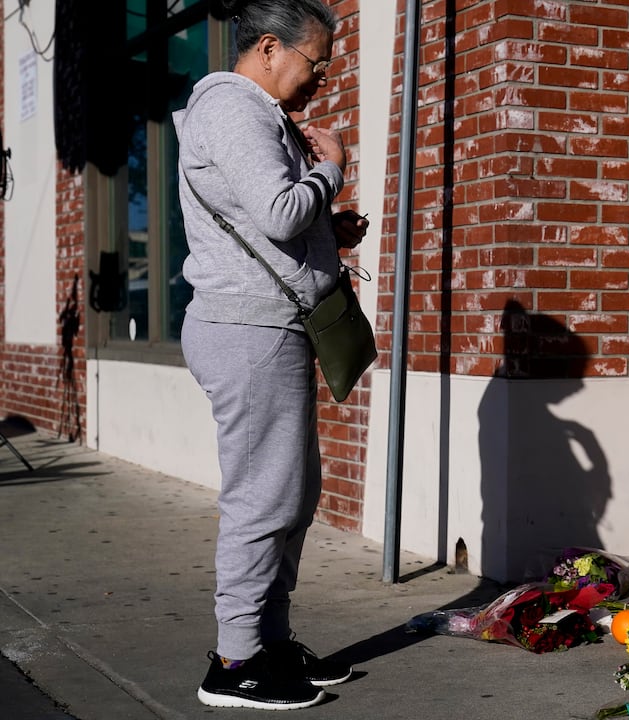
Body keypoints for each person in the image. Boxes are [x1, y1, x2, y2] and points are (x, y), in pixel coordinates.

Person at [173, 0, 368, 710]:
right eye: (315, 62)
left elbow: (271, 219)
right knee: (262, 499)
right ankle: (234, 662)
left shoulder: (255, 116)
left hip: (268, 326)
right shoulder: (234, 110)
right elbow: (281, 211)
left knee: (294, 495)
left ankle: (270, 639)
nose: (320, 77)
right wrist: (334, 170)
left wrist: (330, 229)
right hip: (247, 332)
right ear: (267, 48)